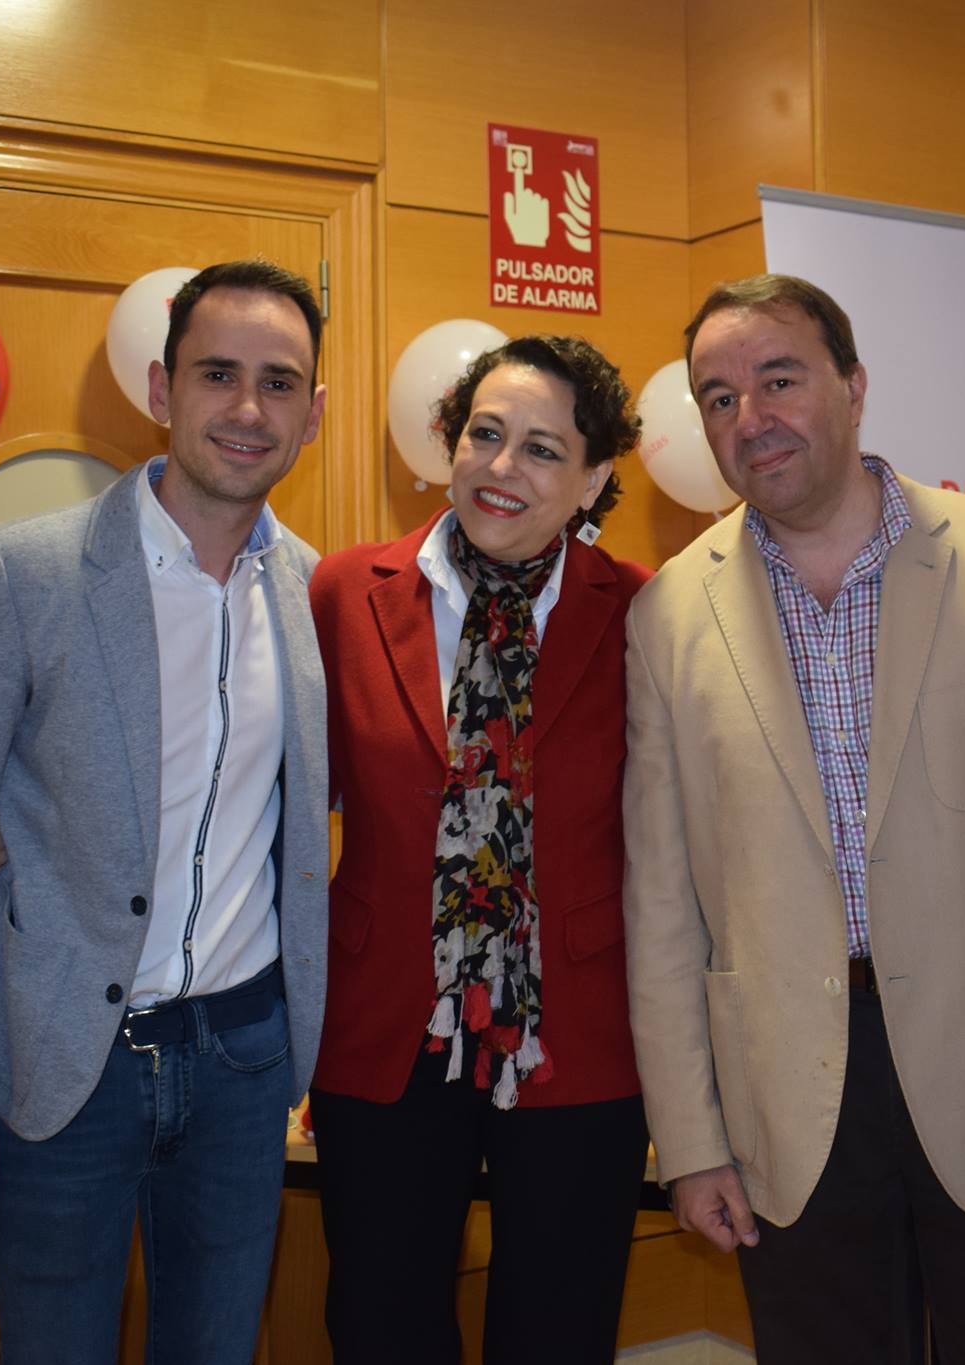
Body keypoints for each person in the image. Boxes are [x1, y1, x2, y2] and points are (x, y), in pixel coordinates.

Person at [622, 274, 965, 1363]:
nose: (749, 418)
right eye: (716, 398)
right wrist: (691, 1143)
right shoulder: (669, 614)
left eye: (778, 380)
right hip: (788, 1105)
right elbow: (663, 908)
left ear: (853, 387)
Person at [0, 259, 332, 1363]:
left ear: (312, 416)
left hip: (241, 1065)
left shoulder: (317, 596)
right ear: (159, 385)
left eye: (278, 383)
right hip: (60, 1070)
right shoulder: (24, 575)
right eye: (216, 373)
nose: (245, 408)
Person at [307, 335, 650, 1362]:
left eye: (543, 450)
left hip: (578, 1035)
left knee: (559, 1327)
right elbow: (273, 796)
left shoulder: (643, 612)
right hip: (385, 1029)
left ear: (593, 479)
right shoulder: (341, 592)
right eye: (484, 436)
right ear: (447, 446)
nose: (503, 470)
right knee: (381, 1323)